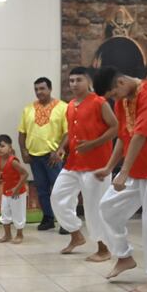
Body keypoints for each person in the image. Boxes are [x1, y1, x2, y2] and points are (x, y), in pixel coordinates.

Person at [92, 66, 147, 292]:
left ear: (120, 82)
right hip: (137, 170)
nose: (114, 99)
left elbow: (141, 134)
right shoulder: (123, 101)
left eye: (113, 94)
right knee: (109, 207)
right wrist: (110, 167)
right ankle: (124, 257)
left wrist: (124, 172)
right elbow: (124, 136)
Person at [50, 67, 118, 261]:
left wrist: (93, 144)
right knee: (58, 198)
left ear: (88, 81)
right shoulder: (70, 105)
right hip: (73, 163)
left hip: (97, 165)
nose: (74, 84)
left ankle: (103, 249)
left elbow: (115, 127)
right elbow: (71, 133)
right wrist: (62, 148)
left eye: (78, 80)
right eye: (71, 80)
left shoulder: (99, 102)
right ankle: (76, 235)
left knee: (94, 207)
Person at [18, 77, 68, 231]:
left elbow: (68, 133)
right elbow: (22, 133)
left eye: (42, 89)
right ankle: (48, 218)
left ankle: (65, 222)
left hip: (53, 157)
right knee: (41, 189)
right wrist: (24, 152)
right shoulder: (28, 109)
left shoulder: (63, 107)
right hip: (34, 156)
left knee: (59, 189)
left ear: (50, 89)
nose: (39, 92)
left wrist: (58, 150)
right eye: (36, 89)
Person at [0, 134, 28, 244]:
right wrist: (0, 177)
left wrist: (17, 189)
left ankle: (19, 234)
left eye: (2, 146)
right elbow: (4, 172)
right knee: (4, 212)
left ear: (10, 147)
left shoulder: (13, 161)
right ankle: (7, 234)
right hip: (6, 191)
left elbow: (25, 174)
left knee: (18, 213)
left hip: (17, 192)